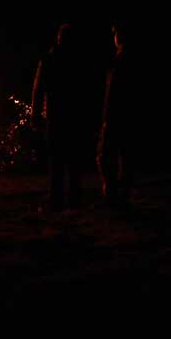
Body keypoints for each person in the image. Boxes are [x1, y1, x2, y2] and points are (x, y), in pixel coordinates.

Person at [31, 23, 104, 212]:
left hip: (58, 118)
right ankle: (72, 200)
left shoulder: (50, 59)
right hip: (74, 119)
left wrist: (36, 114)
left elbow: (38, 90)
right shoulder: (80, 61)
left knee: (58, 162)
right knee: (73, 162)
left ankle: (58, 200)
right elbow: (91, 91)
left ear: (59, 38)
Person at [97, 23, 136, 207]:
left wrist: (107, 116)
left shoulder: (121, 60)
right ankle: (121, 192)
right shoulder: (122, 59)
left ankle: (113, 192)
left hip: (116, 116)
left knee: (106, 155)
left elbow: (115, 92)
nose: (114, 38)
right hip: (124, 116)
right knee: (124, 155)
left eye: (116, 34)